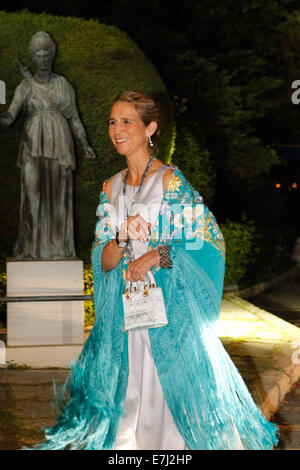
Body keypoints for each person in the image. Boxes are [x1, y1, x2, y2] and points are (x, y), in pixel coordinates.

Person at [28, 90, 278, 450]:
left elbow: (205, 242)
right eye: (113, 121)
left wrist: (155, 255)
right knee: (127, 405)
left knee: (165, 405)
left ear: (151, 128)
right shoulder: (109, 188)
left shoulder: (170, 183)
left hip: (167, 320)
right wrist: (121, 236)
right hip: (124, 320)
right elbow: (103, 260)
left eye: (127, 121)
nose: (117, 129)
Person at [0, 31, 96, 260]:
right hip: (33, 143)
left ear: (52, 56)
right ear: (33, 57)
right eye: (38, 55)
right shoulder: (25, 86)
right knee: (32, 195)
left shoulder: (63, 84)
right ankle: (32, 248)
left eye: (46, 55)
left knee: (58, 198)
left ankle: (58, 250)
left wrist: (85, 144)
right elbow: (10, 117)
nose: (42, 60)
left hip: (60, 142)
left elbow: (74, 118)